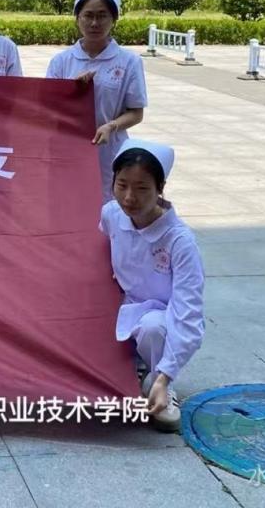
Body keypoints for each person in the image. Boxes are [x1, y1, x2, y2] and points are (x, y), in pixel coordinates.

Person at [99, 139, 204, 433]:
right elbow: (102, 246)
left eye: (142, 188)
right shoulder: (111, 214)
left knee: (153, 327)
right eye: (122, 185)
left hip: (160, 314)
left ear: (161, 188)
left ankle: (158, 384)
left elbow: (188, 313)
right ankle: (130, 367)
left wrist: (165, 375)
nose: (129, 197)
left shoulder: (180, 241)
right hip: (121, 301)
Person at [46, 0, 147, 201]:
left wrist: (111, 126)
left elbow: (136, 112)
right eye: (88, 16)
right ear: (77, 18)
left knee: (108, 205)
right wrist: (70, 90)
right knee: (68, 202)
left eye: (102, 16)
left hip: (110, 150)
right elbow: (49, 109)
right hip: (68, 147)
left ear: (114, 20)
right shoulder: (61, 61)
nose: (94, 23)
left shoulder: (129, 62)